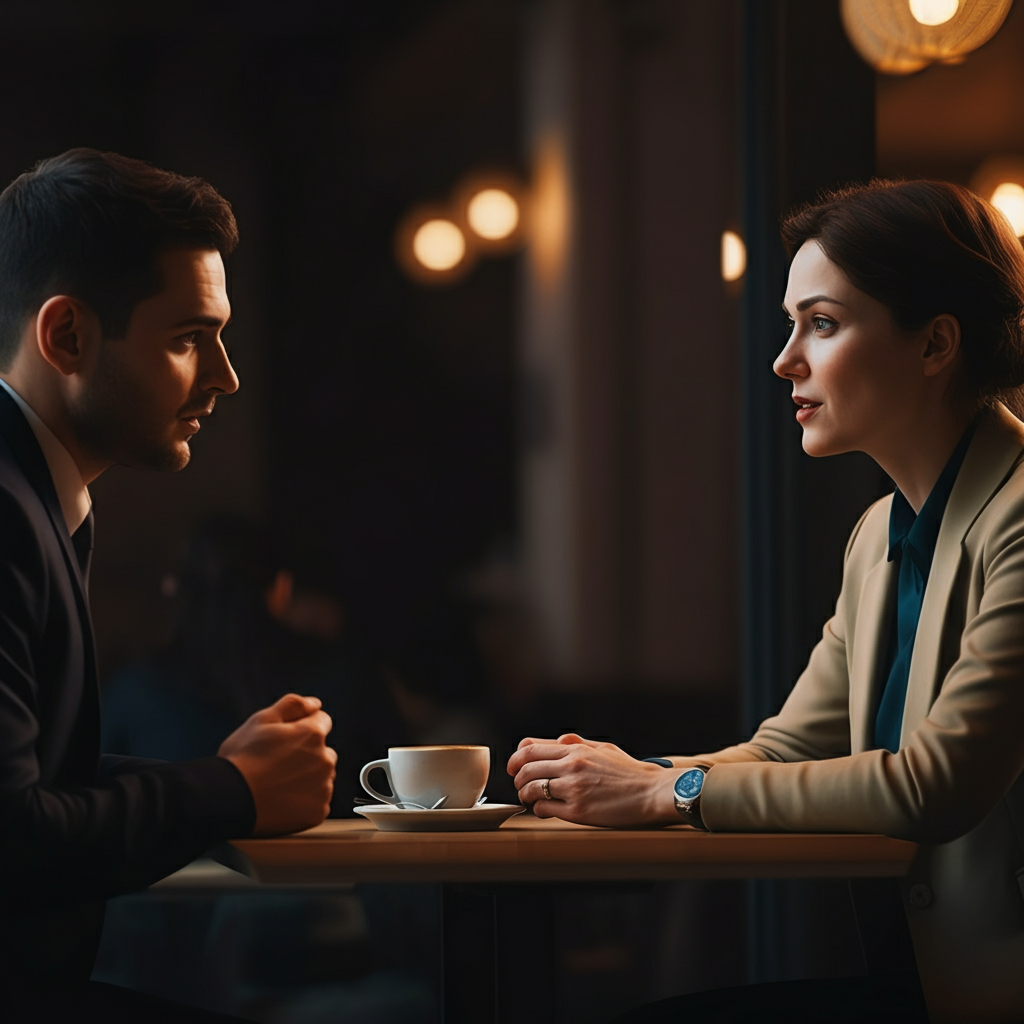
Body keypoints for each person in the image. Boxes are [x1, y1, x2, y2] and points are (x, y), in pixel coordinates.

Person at [508, 179, 1024, 1024]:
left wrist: (664, 795)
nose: (785, 359)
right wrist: (634, 776)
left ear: (935, 344)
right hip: (925, 979)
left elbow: (941, 786)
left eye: (821, 324)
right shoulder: (877, 536)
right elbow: (786, 749)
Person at [0, 149, 336, 1022]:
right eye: (190, 338)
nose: (224, 376)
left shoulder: (40, 494)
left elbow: (36, 778)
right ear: (67, 336)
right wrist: (231, 788)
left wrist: (235, 775)